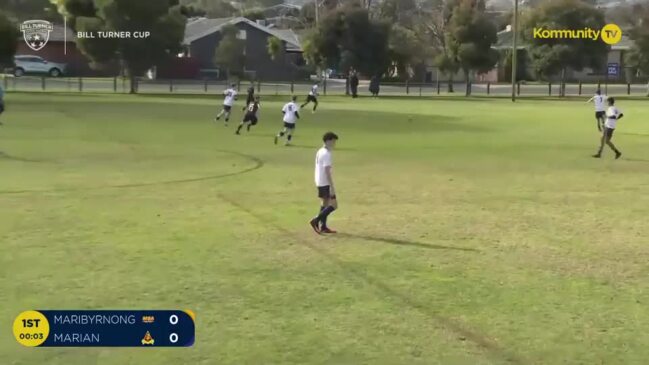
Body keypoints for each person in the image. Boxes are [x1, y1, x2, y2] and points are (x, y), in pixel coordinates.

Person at [309, 132, 339, 234]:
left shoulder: (320, 151)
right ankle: (316, 220)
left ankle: (323, 227)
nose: (334, 144)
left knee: (325, 203)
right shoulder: (327, 154)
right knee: (334, 205)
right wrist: (331, 186)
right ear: (328, 141)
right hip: (325, 182)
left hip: (319, 180)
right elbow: (327, 171)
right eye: (333, 141)